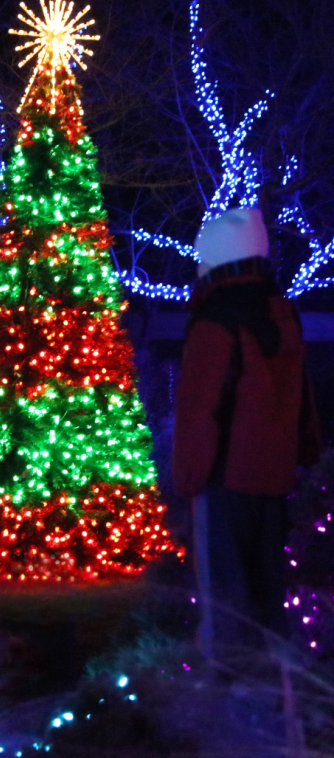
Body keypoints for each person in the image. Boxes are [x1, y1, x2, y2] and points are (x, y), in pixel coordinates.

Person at [172, 207, 321, 660]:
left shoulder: (215, 320)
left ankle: (230, 698)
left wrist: (188, 477)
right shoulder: (281, 312)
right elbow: (301, 392)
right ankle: (277, 692)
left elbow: (201, 408)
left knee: (225, 601)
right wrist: (307, 450)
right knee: (266, 592)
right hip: (272, 479)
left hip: (223, 480)